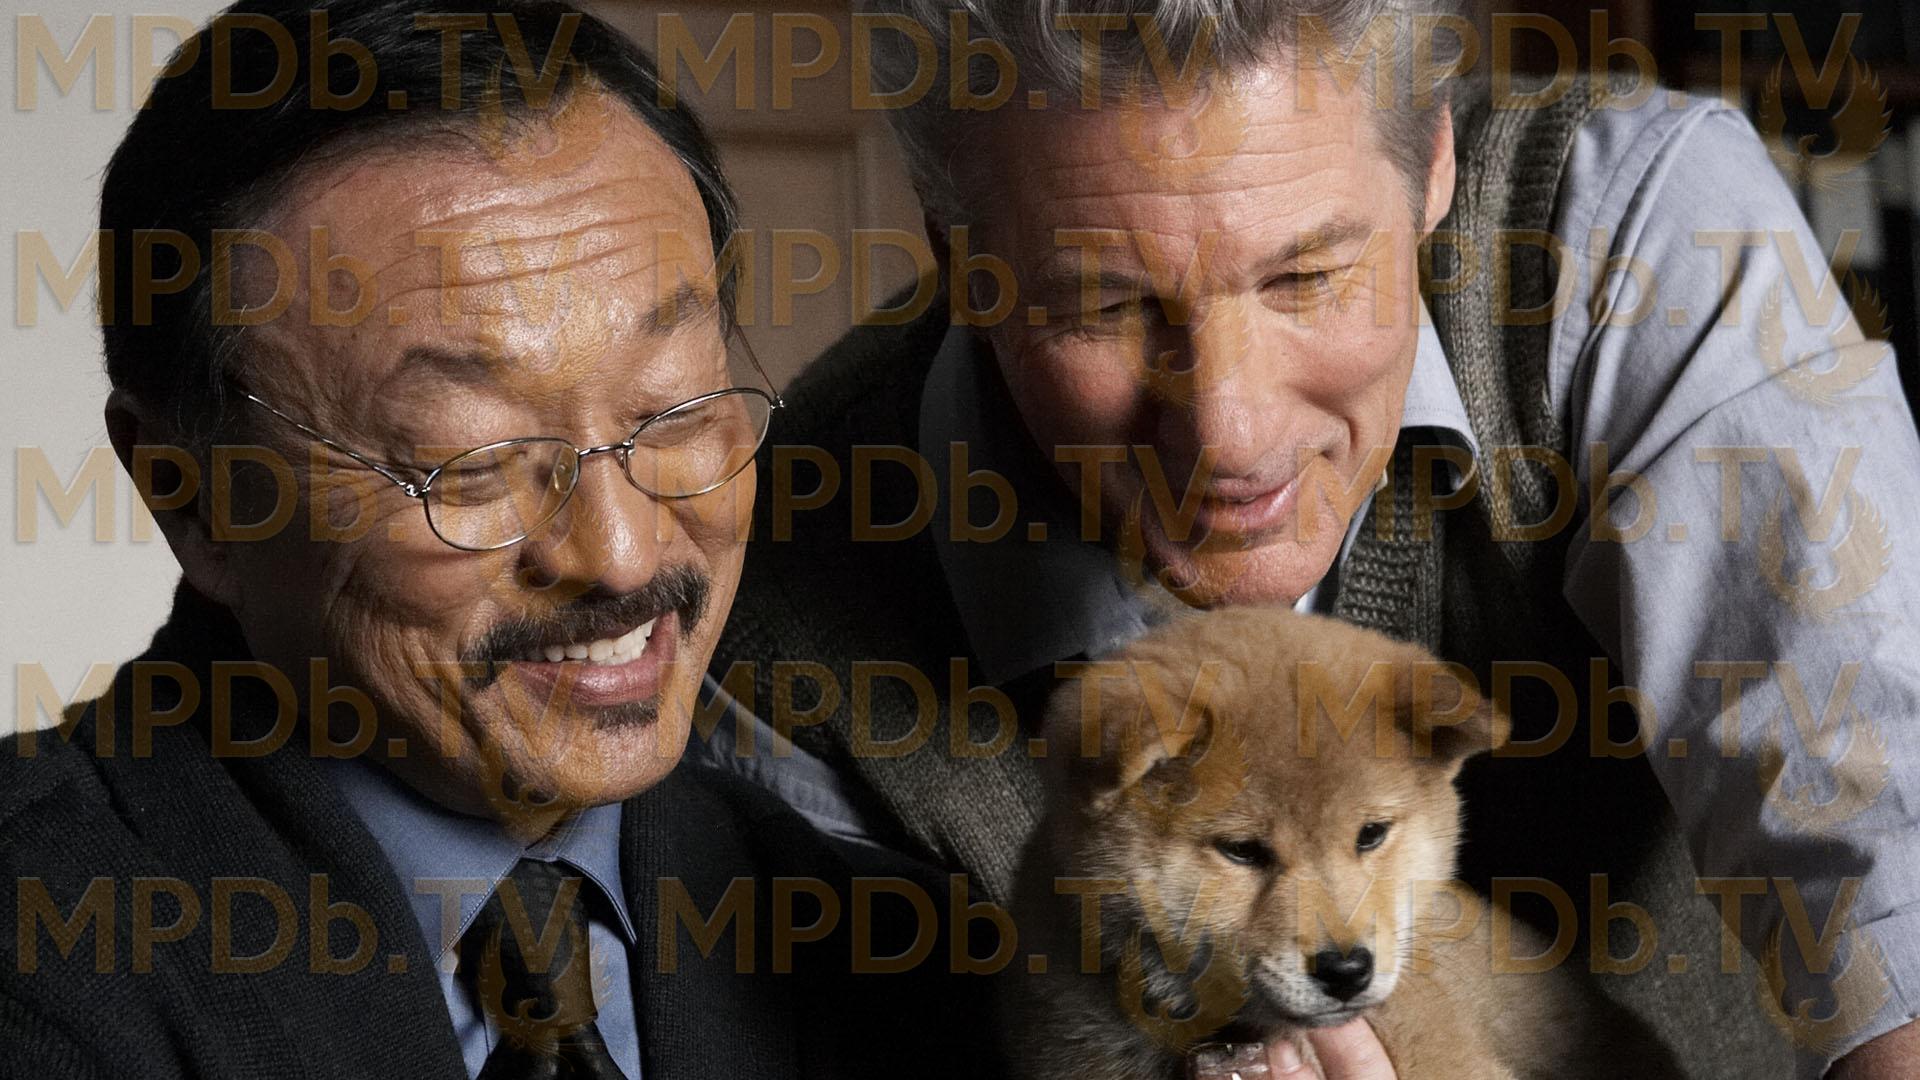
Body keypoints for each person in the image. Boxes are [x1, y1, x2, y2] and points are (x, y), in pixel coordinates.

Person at [707, 1, 1920, 1077]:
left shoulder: (1629, 239)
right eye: (1108, 304)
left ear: (1433, 162)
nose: (1229, 433)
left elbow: (1886, 840)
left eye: (1308, 278)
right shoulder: (774, 601)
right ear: (960, 257)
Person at [0, 3, 989, 1077]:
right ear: (192, 495)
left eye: (675, 410)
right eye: (472, 462)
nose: (621, 554)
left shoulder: (912, 970)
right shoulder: (44, 959)